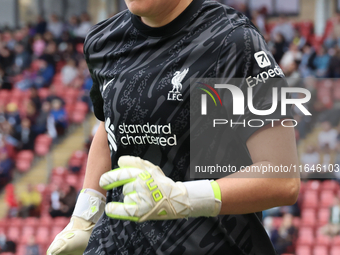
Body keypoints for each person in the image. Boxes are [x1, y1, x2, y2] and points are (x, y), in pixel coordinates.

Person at [48, 1, 300, 254]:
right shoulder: (102, 41)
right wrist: (85, 216)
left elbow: (282, 179)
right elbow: (109, 126)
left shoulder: (236, 40)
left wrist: (182, 197)